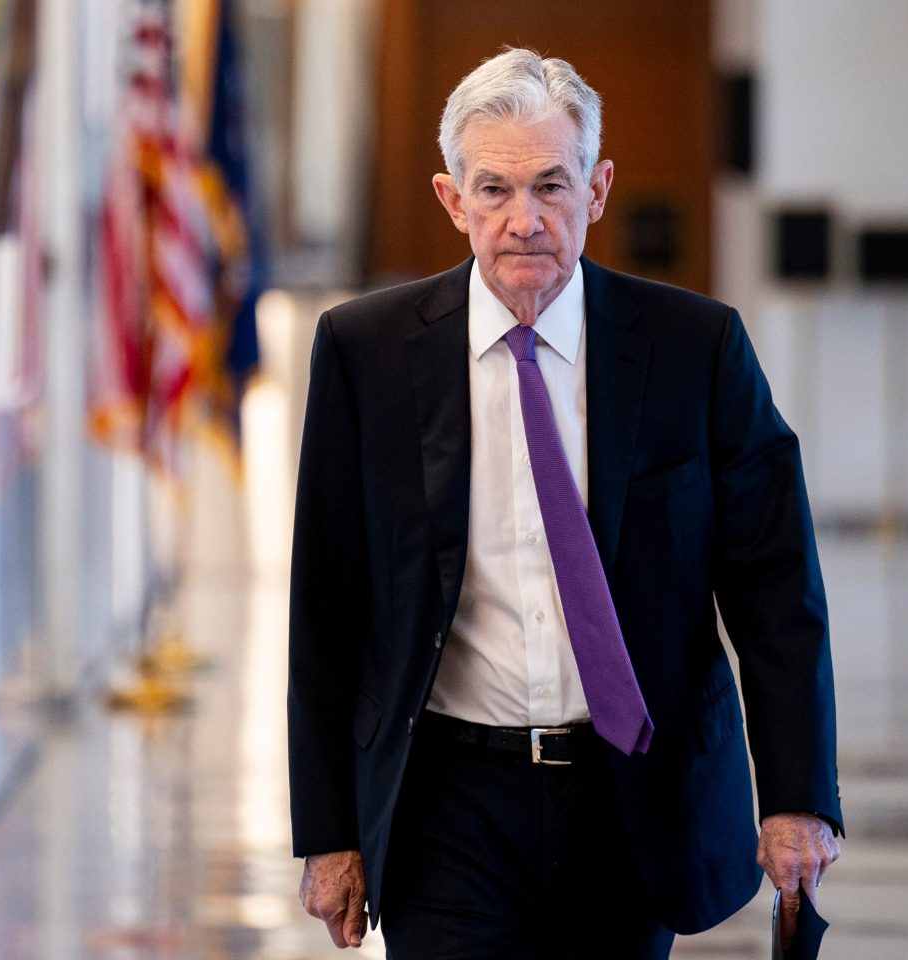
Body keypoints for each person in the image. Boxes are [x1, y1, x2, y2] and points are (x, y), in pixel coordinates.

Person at [288, 48, 842, 959]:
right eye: (495, 190)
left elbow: (777, 588)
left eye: (552, 184)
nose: (526, 219)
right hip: (445, 803)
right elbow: (327, 608)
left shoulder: (695, 349)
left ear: (598, 188)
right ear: (452, 200)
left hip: (632, 799)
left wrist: (797, 797)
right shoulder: (365, 354)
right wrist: (328, 831)